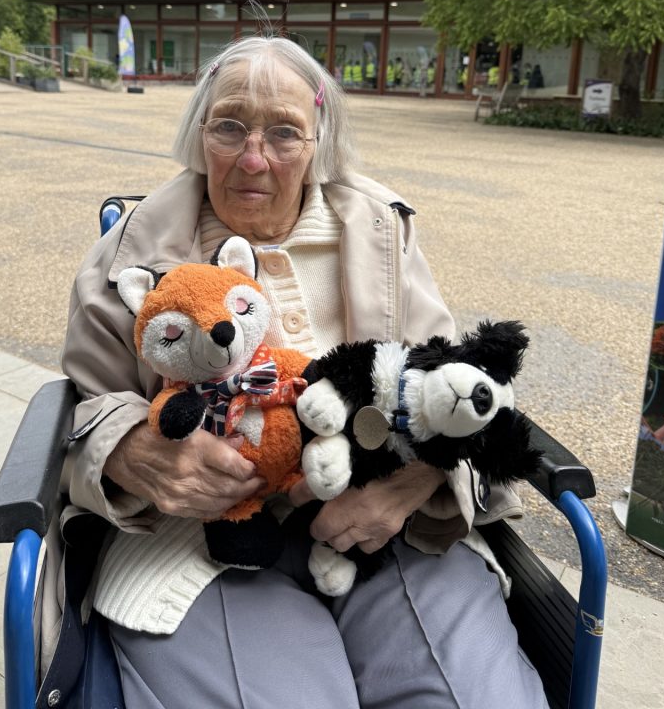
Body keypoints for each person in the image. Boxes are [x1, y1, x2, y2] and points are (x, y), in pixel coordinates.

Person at [45, 34, 548, 709]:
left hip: (387, 523)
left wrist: (416, 481)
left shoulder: (380, 232)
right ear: (199, 135)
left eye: (284, 132)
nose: (253, 157)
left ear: (322, 145)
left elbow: (449, 384)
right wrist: (131, 451)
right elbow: (81, 407)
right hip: (201, 541)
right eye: (230, 126)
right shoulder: (131, 253)